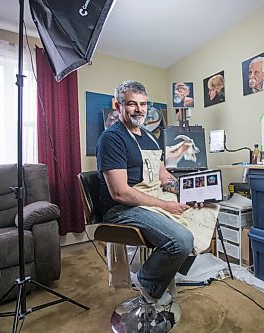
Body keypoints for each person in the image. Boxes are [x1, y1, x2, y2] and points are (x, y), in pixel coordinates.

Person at [96, 80, 218, 307]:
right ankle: (147, 281)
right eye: (132, 104)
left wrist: (186, 193)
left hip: (151, 198)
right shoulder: (111, 139)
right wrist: (166, 206)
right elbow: (121, 193)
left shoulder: (149, 136)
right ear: (118, 105)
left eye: (143, 104)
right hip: (123, 208)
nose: (139, 109)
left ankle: (166, 271)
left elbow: (164, 176)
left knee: (207, 210)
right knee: (181, 240)